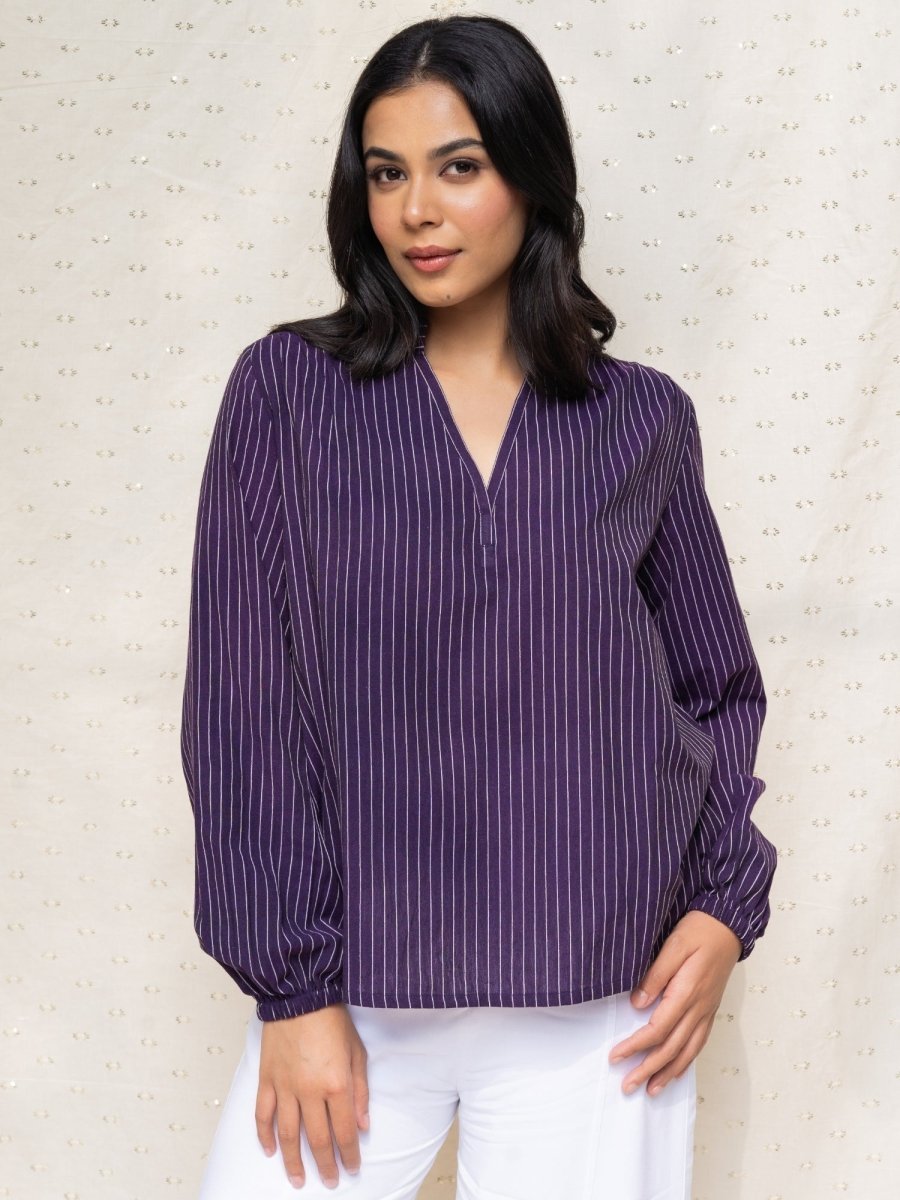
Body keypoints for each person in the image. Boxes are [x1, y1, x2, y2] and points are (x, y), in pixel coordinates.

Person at [179, 14, 777, 1199]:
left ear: (531, 174)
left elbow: (714, 687)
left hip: (605, 995)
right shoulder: (288, 394)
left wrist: (723, 907)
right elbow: (245, 700)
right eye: (386, 173)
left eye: (459, 167)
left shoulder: (639, 418)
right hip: (356, 992)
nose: (417, 211)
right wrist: (292, 995)